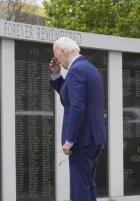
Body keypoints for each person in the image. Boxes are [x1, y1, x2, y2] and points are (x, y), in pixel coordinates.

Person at [49, 37, 106, 201]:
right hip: (94, 138)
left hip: (81, 140)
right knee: (88, 186)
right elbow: (71, 98)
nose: (57, 60)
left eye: (56, 55)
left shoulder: (76, 71)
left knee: (79, 190)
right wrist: (56, 75)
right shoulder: (90, 68)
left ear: (63, 52)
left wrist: (69, 140)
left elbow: (76, 107)